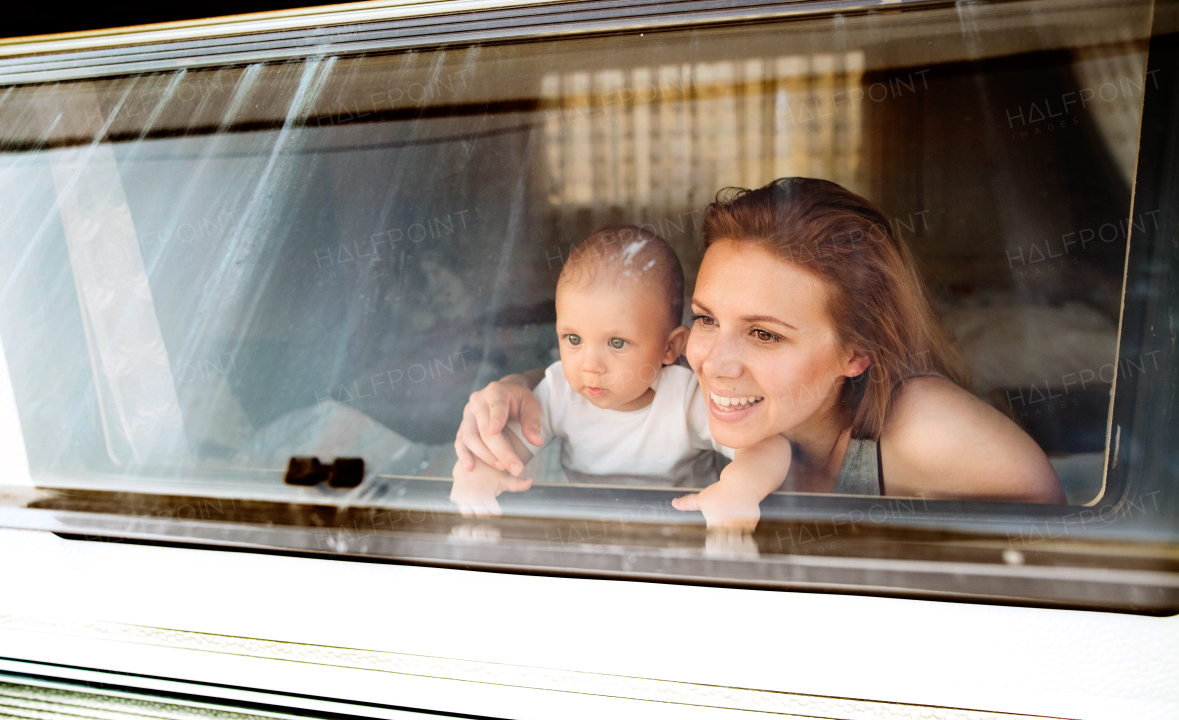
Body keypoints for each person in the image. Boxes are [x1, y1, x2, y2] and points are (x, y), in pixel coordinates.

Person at [456, 179, 1065, 525]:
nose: (713, 363)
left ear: (857, 353)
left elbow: (1057, 548)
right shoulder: (689, 389)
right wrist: (518, 385)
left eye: (765, 334)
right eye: (705, 320)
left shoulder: (922, 427)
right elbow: (603, 378)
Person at [450, 225, 789, 518]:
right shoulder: (559, 391)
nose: (590, 365)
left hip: (682, 532)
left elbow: (769, 447)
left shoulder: (685, 398)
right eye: (573, 339)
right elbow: (501, 447)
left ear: (670, 348)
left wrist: (740, 487)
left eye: (616, 343)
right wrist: (475, 473)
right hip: (591, 529)